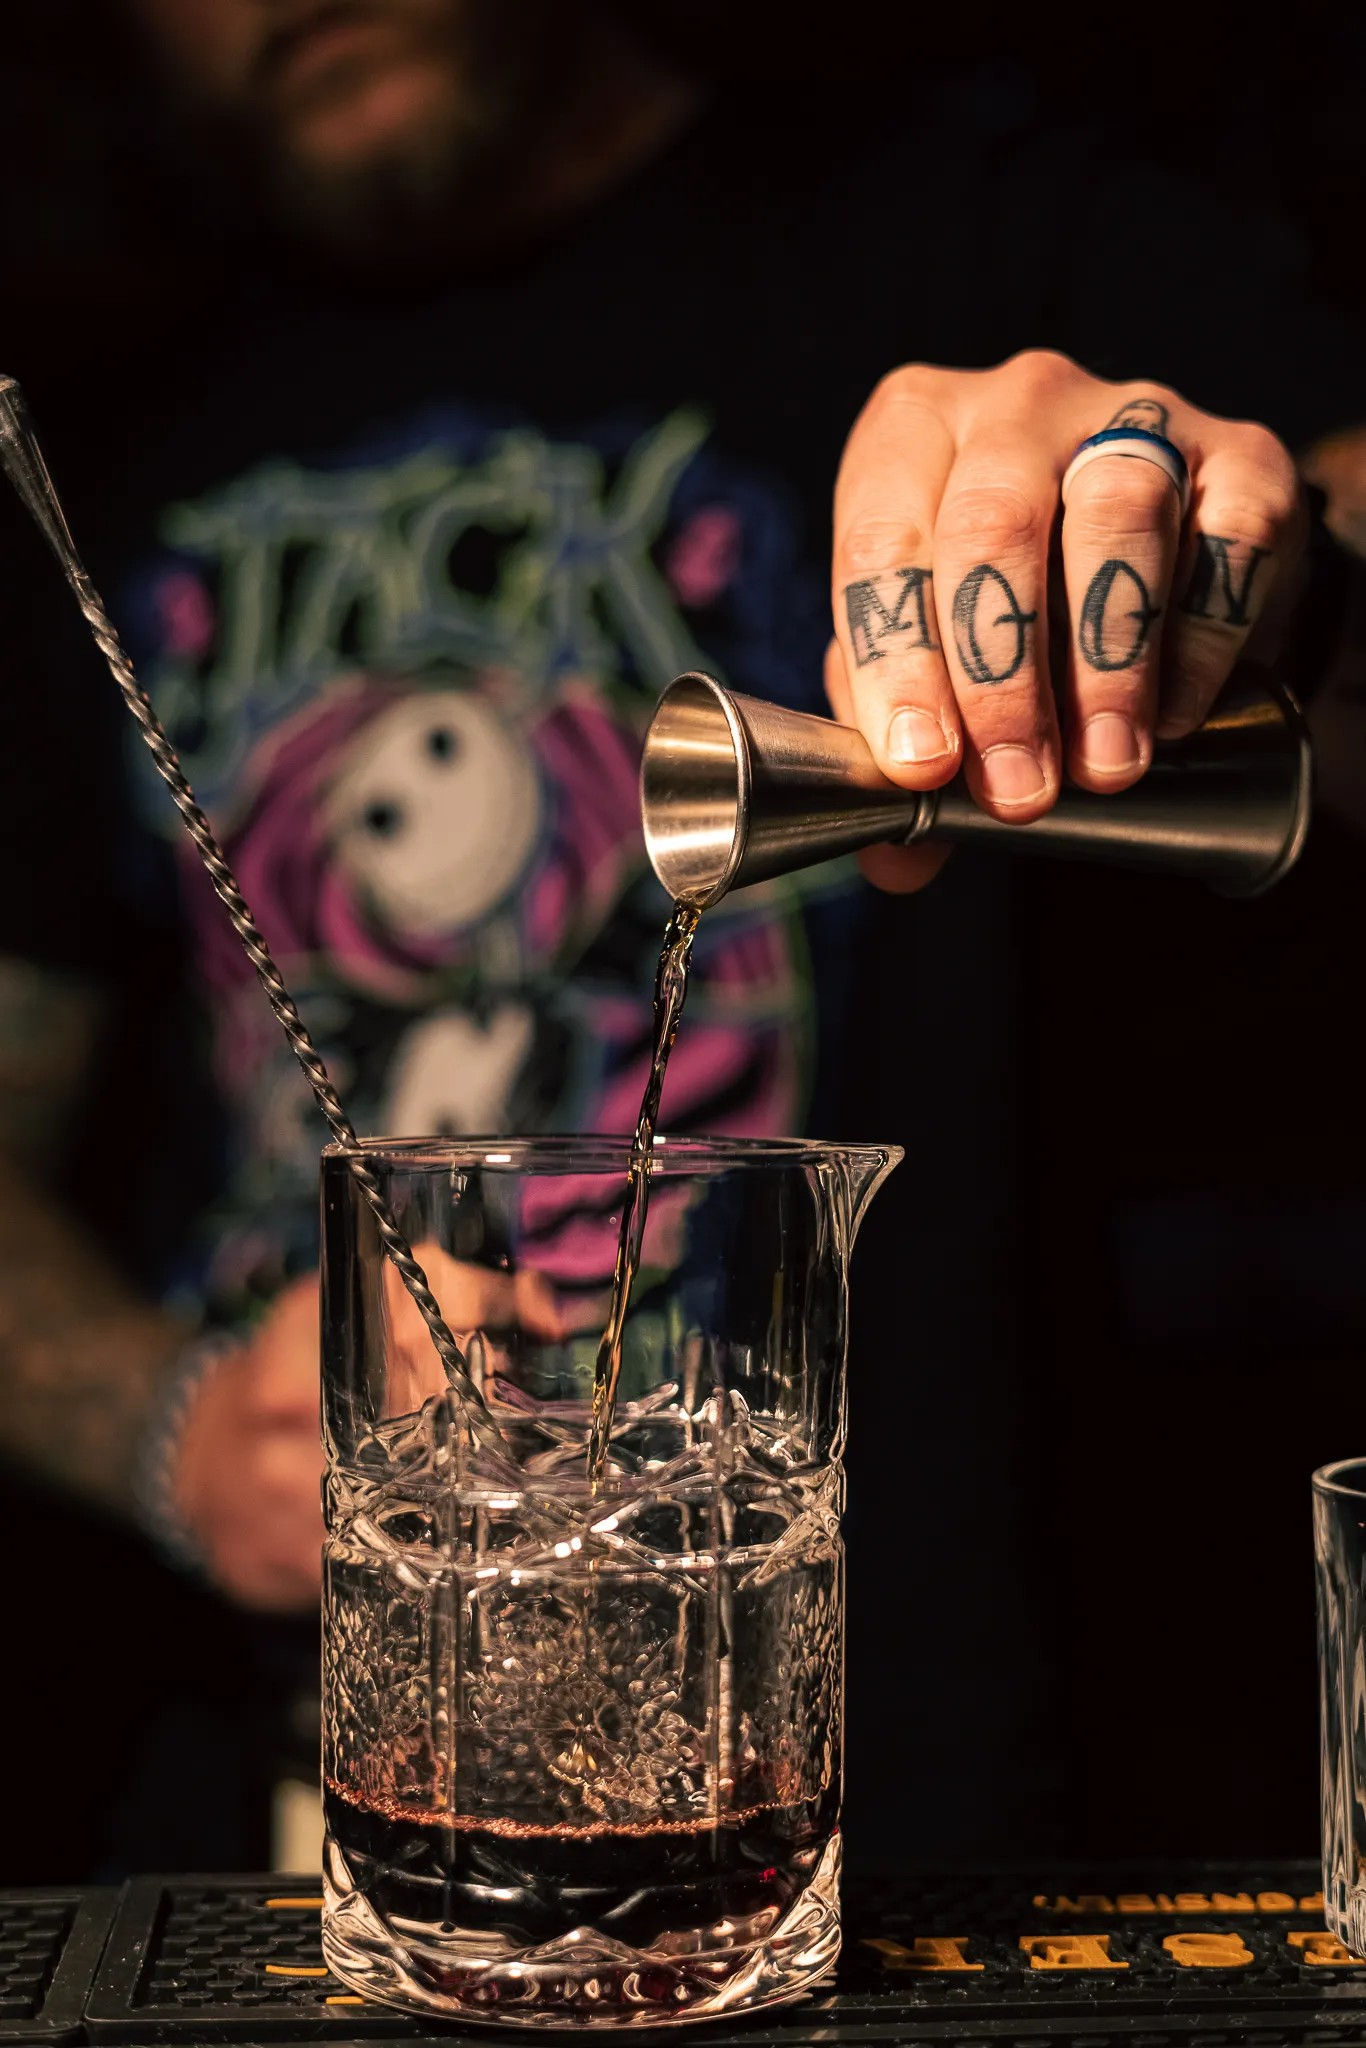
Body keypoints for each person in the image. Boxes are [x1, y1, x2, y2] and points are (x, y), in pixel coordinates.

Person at [0, 0, 1361, 1873]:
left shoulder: (967, 229)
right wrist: (163, 1425)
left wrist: (1256, 560)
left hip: (936, 1819)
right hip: (281, 1838)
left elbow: (1317, 537)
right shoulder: (115, 442)